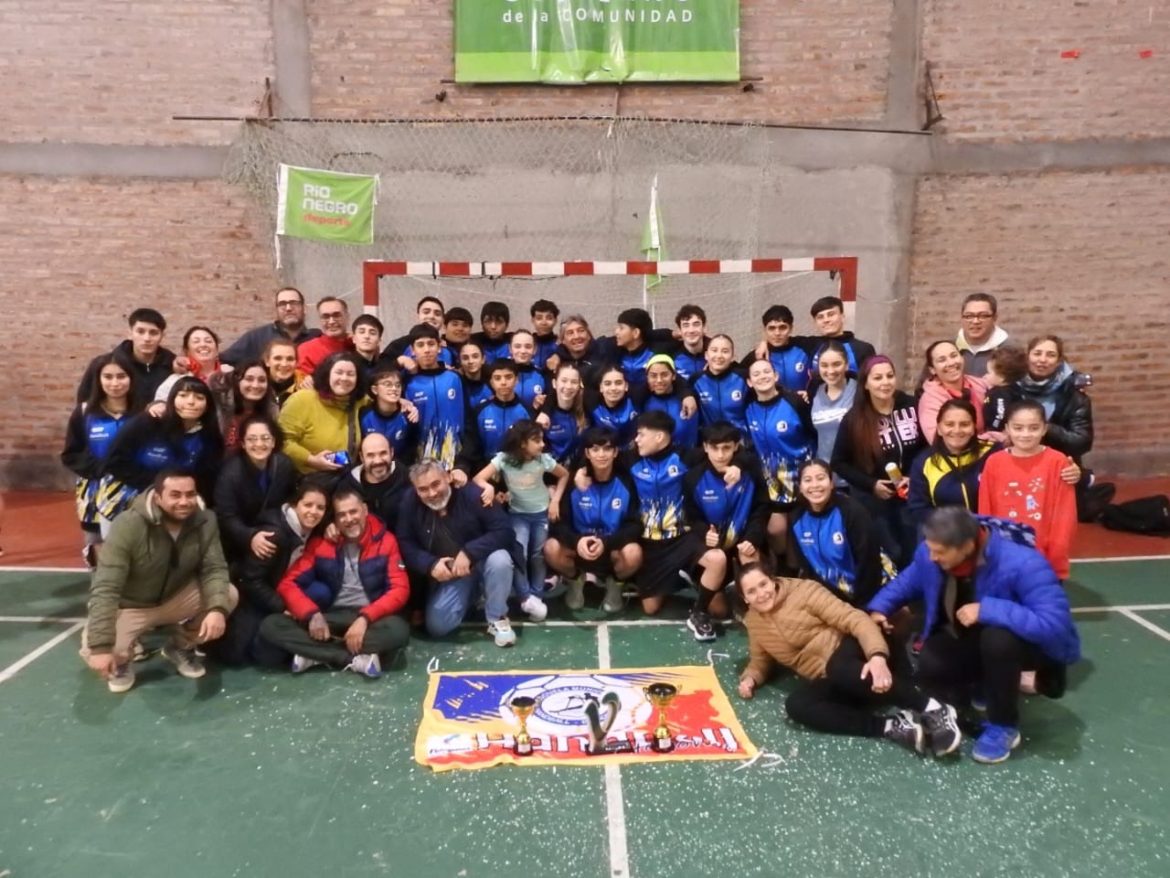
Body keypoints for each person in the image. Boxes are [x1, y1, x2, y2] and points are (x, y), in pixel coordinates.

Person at [868, 507, 1081, 763]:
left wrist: (988, 609)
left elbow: (1054, 623)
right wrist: (880, 607)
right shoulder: (932, 552)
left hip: (1020, 645)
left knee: (998, 640)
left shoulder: (1024, 563)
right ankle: (984, 682)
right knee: (930, 662)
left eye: (940, 552)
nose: (932, 557)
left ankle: (1004, 725)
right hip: (968, 637)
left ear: (967, 546)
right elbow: (910, 579)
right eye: (930, 549)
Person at [736, 563, 961, 757]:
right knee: (796, 705)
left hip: (854, 648)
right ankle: (891, 726)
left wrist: (877, 656)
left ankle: (933, 708)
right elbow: (760, 660)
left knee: (839, 667)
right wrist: (751, 679)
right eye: (752, 591)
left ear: (773, 580)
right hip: (829, 675)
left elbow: (855, 619)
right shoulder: (754, 623)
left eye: (763, 584)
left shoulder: (804, 591)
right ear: (746, 598)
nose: (761, 593)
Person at [80, 469, 238, 693]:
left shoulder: (205, 520)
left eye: (190, 494)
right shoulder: (128, 525)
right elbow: (106, 586)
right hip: (131, 605)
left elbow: (214, 568)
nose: (184, 502)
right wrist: (100, 646)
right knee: (97, 652)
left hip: (175, 597)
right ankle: (123, 660)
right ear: (157, 497)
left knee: (228, 595)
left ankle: (179, 646)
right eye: (175, 495)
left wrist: (217, 609)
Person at [260, 484, 411, 678]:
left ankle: (314, 654)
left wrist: (365, 618)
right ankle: (353, 659)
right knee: (271, 625)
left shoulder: (386, 541)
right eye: (341, 515)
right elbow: (288, 584)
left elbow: (400, 589)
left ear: (364, 510)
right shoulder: (320, 543)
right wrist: (312, 614)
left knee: (399, 631)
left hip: (369, 618)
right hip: (330, 616)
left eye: (353, 512)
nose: (349, 519)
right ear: (335, 519)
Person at [627, 411, 729, 641]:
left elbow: (722, 455)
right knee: (650, 609)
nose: (637, 439)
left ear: (660, 437)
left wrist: (737, 466)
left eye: (642, 434)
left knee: (719, 596)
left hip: (684, 538)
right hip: (651, 545)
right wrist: (583, 471)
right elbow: (597, 458)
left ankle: (699, 611)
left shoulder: (685, 457)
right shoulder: (631, 459)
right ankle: (683, 576)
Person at [395, 459, 519, 647]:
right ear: (415, 489)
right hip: (452, 573)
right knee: (438, 626)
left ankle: (497, 616)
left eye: (436, 484)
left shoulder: (472, 494)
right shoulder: (408, 502)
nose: (432, 493)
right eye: (423, 489)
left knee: (500, 560)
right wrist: (429, 564)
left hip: (482, 561)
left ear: (447, 477)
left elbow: (505, 531)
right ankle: (475, 595)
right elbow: (405, 542)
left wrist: (469, 552)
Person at [222, 476, 330, 666]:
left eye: (320, 508)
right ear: (295, 505)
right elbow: (251, 581)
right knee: (239, 655)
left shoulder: (314, 527)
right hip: (257, 595)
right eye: (308, 505)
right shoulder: (273, 536)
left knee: (321, 592)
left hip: (285, 587)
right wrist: (281, 607)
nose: (314, 512)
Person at [832, 356, 924, 567]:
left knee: (915, 553)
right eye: (878, 378)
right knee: (894, 554)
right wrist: (871, 485)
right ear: (866, 384)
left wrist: (915, 475)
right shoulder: (854, 419)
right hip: (875, 501)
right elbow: (838, 462)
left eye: (890, 376)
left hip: (911, 494)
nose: (885, 382)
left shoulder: (912, 405)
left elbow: (928, 447)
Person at [473, 420, 570, 622]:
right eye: (537, 440)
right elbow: (477, 479)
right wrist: (489, 488)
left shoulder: (543, 460)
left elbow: (564, 475)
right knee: (520, 554)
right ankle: (525, 596)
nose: (542, 444)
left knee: (537, 555)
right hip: (518, 514)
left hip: (541, 513)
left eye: (542, 439)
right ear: (523, 443)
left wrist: (556, 501)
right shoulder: (504, 460)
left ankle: (537, 596)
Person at [99, 377, 224, 529]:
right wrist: (159, 487)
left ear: (207, 405)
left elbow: (207, 476)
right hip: (126, 497)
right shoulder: (149, 422)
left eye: (199, 397)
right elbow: (114, 461)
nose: (191, 402)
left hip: (176, 504)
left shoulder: (208, 435)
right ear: (172, 399)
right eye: (183, 395)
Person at [978, 401, 1078, 580]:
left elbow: (1065, 515)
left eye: (1033, 428)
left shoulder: (1058, 462)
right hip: (1004, 560)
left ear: (1044, 429)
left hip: (1044, 562)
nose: (1025, 434)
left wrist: (1055, 560)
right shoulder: (994, 463)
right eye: (1018, 427)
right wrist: (990, 552)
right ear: (1007, 428)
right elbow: (986, 512)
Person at [545, 427, 642, 612]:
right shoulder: (574, 482)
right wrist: (576, 541)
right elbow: (558, 523)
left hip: (611, 548)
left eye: (607, 449)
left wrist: (607, 542)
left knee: (634, 553)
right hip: (579, 549)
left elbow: (634, 525)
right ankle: (575, 580)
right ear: (587, 453)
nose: (601, 455)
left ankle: (615, 585)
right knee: (551, 548)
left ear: (615, 452)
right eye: (595, 449)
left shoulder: (627, 482)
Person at [1014, 334, 1105, 521]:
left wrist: (1044, 428)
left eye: (1050, 355)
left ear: (1059, 361)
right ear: (1028, 356)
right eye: (1037, 353)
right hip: (1017, 463)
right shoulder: (1010, 386)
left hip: (1057, 467)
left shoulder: (1075, 396)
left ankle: (1082, 482)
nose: (1042, 360)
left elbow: (1082, 441)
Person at [62, 353, 136, 568]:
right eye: (108, 377)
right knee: (97, 545)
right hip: (94, 492)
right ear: (98, 379)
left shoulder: (143, 413)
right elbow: (71, 454)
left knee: (134, 544)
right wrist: (101, 470)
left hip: (134, 490)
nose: (115, 383)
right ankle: (101, 590)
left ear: (131, 378)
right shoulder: (85, 413)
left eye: (121, 376)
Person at [787, 459, 890, 607]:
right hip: (831, 599)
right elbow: (808, 569)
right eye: (807, 480)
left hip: (871, 590)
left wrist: (859, 608)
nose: (815, 485)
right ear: (800, 487)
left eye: (821, 478)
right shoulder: (796, 519)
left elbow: (869, 565)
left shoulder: (852, 512)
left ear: (831, 483)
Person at [743, 358, 815, 555]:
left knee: (800, 529)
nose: (762, 377)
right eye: (756, 374)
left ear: (776, 376)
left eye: (767, 372)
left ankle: (798, 569)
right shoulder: (748, 408)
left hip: (801, 477)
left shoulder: (795, 402)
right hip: (772, 483)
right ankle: (782, 567)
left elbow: (813, 433)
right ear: (749, 382)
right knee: (776, 530)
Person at [213, 414, 298, 567]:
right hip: (239, 537)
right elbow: (226, 516)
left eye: (265, 438)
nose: (259, 444)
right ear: (243, 444)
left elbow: (293, 496)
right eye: (252, 439)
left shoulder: (284, 464)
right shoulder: (230, 473)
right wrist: (250, 537)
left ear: (273, 442)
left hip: (273, 527)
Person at [683, 422, 769, 571]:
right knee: (716, 578)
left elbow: (761, 509)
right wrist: (705, 533)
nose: (720, 455)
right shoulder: (693, 478)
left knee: (751, 561)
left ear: (736, 447)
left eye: (726, 448)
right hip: (710, 545)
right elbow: (691, 516)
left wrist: (752, 538)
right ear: (705, 447)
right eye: (714, 448)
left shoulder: (750, 472)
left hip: (743, 540)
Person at [908, 399, 998, 527]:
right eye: (949, 424)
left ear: (974, 427)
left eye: (964, 424)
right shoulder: (924, 462)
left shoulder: (993, 453)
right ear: (939, 429)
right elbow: (918, 508)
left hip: (991, 533)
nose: (957, 430)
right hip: (948, 536)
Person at [278, 351, 363, 475]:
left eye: (350, 374)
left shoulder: (358, 401)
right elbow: (282, 440)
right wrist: (311, 460)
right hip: (304, 479)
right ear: (327, 375)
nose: (344, 378)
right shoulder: (302, 399)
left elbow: (380, 398)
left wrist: (399, 401)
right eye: (338, 372)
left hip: (343, 477)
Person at [76, 307, 176, 411]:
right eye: (140, 332)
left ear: (162, 336)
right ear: (130, 334)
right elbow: (85, 402)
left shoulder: (172, 366)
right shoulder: (103, 364)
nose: (147, 338)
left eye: (153, 333)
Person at [402, 323, 467, 473]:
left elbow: (468, 419)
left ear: (439, 347)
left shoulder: (454, 378)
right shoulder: (408, 383)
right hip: (422, 461)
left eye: (431, 344)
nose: (426, 350)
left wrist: (465, 461)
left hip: (455, 459)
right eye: (420, 345)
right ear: (412, 350)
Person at [458, 360, 535, 475]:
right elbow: (471, 446)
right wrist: (462, 468)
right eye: (497, 378)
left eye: (508, 377)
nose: (503, 382)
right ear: (492, 382)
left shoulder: (528, 412)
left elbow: (532, 449)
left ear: (516, 380)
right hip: (486, 474)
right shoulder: (479, 411)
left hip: (519, 474)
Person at [221, 286, 321, 366]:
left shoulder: (316, 337)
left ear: (304, 308)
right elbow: (224, 361)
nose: (288, 308)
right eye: (282, 304)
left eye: (294, 303)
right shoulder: (257, 337)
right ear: (276, 310)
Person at [916, 340, 990, 444]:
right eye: (942, 360)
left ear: (962, 358)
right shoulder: (930, 400)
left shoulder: (980, 385)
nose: (951, 363)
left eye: (954, 356)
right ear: (932, 370)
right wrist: (990, 441)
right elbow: (938, 441)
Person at [343, 432, 411, 534]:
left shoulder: (408, 479)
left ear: (391, 453)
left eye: (383, 453)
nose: (377, 461)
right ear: (362, 457)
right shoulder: (349, 485)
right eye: (370, 455)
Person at [801, 296, 876, 381]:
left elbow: (872, 382)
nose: (826, 320)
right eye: (820, 317)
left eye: (831, 314)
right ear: (815, 322)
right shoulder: (809, 345)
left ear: (842, 316)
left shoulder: (863, 349)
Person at [809, 340, 857, 466]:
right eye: (824, 365)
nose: (830, 371)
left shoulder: (859, 392)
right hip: (826, 475)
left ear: (846, 365)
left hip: (854, 476)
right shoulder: (815, 393)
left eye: (836, 364)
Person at [153, 326, 231, 404]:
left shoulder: (230, 374)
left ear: (217, 350)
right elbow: (159, 404)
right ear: (187, 351)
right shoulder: (176, 380)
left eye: (208, 341)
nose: (203, 344)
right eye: (196, 341)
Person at [215, 359, 280, 450]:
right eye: (249, 379)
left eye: (262, 380)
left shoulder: (271, 410)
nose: (255, 385)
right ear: (237, 381)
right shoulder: (220, 408)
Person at [746, 304, 811, 392]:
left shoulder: (805, 345)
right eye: (772, 328)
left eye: (782, 327)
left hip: (804, 404)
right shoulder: (758, 355)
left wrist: (811, 393)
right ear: (764, 330)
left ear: (791, 328)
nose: (777, 333)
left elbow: (832, 341)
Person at [359, 365, 417, 463]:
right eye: (388, 384)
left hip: (400, 469)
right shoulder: (364, 414)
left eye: (398, 385)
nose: (394, 388)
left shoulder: (409, 414)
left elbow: (411, 449)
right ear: (375, 390)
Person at [693, 334, 750, 432]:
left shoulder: (744, 378)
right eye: (714, 350)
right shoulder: (696, 380)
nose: (719, 356)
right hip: (710, 442)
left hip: (740, 442)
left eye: (725, 351)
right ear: (706, 355)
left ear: (733, 357)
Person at [536, 361, 588, 465]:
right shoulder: (543, 415)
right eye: (564, 381)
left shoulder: (586, 408)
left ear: (579, 385)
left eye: (574, 382)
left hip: (579, 470)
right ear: (554, 383)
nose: (568, 386)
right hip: (550, 471)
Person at [643, 354, 700, 448]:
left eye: (664, 375)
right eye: (653, 376)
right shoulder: (643, 401)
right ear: (647, 378)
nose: (659, 380)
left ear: (673, 376)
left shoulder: (689, 398)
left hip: (687, 457)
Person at [295, 296, 351, 383]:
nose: (331, 321)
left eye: (336, 315)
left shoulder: (357, 345)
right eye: (326, 317)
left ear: (347, 317)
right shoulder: (306, 350)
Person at [954, 293, 1009, 378]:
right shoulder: (949, 348)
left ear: (995, 318)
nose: (975, 321)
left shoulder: (1010, 351)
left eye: (983, 316)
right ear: (961, 318)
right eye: (969, 316)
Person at [587, 364, 641, 448]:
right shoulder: (591, 404)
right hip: (603, 454)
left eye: (618, 383)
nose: (613, 388)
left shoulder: (636, 401)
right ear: (601, 387)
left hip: (632, 453)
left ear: (626, 386)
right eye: (607, 384)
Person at [508, 330, 548, 411]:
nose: (523, 351)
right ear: (510, 349)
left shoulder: (542, 375)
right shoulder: (500, 373)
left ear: (535, 349)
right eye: (517, 346)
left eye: (528, 346)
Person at [669, 304, 709, 381]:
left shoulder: (715, 355)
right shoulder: (672, 356)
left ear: (704, 328)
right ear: (679, 331)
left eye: (696, 324)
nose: (691, 330)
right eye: (686, 325)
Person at [264, 338, 300, 407]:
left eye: (290, 359)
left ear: (296, 363)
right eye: (278, 358)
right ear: (267, 361)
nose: (284, 364)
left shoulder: (305, 388)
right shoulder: (257, 386)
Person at [458, 341, 493, 410]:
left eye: (475, 356)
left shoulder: (493, 384)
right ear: (460, 361)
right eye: (465, 358)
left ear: (483, 359)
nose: (470, 361)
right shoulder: (456, 384)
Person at [530, 299, 561, 371]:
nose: (544, 322)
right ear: (532, 320)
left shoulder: (561, 345)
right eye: (539, 318)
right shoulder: (527, 343)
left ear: (555, 320)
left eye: (549, 318)